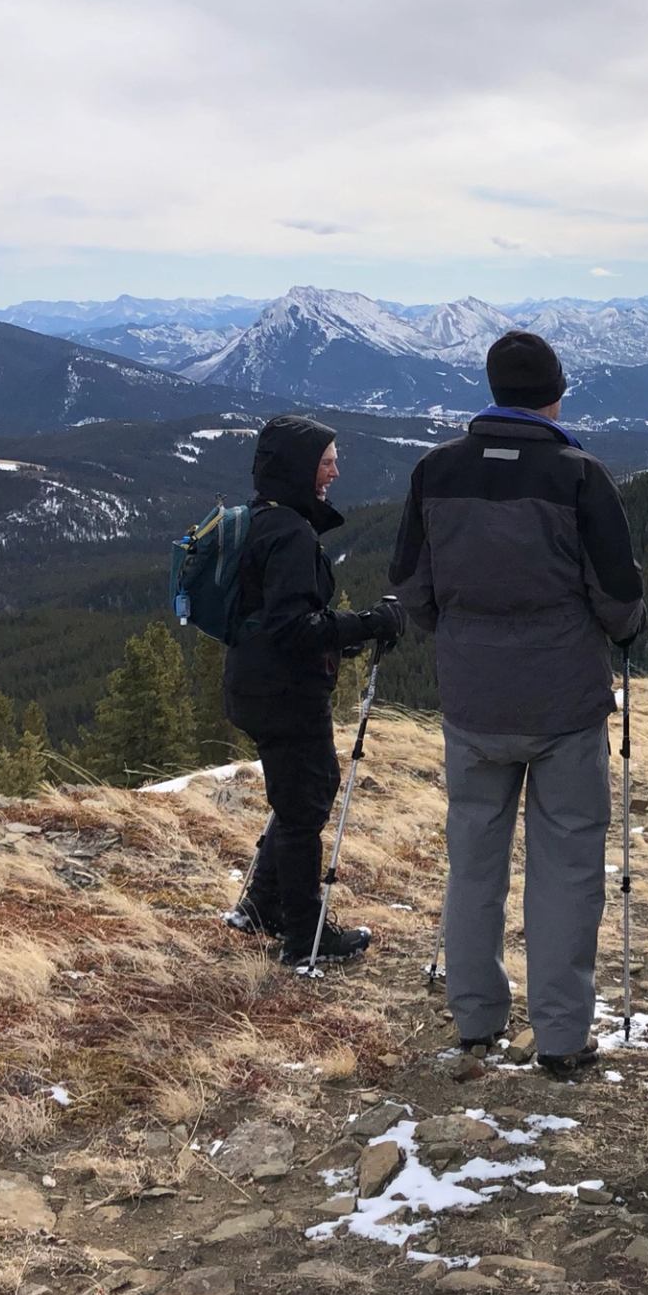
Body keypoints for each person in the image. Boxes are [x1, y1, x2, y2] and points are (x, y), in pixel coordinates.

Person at [389, 331, 645, 1078]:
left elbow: (412, 584)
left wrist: (462, 637)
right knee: (567, 864)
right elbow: (619, 595)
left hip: (472, 699)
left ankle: (476, 1019)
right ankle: (562, 1037)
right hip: (564, 700)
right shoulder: (578, 474)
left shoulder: (436, 470)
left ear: (493, 389)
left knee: (473, 859)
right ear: (555, 393)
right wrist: (616, 632)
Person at [223, 414, 408, 967]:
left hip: (255, 684)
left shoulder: (263, 520)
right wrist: (368, 624)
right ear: (301, 469)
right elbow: (293, 629)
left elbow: (280, 621)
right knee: (304, 807)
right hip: (284, 693)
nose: (335, 470)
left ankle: (263, 905)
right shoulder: (290, 533)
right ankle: (304, 935)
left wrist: (342, 631)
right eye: (327, 461)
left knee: (305, 790)